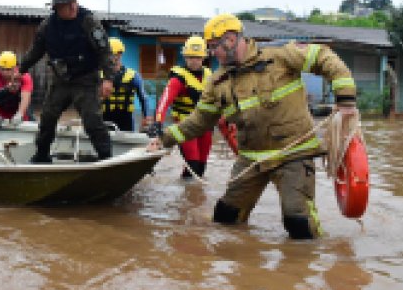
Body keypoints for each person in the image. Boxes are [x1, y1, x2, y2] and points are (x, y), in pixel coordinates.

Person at [148, 14, 358, 239]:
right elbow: (199, 121)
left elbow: (324, 57)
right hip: (251, 160)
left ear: (229, 40)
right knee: (225, 219)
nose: (211, 54)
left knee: (298, 224)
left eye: (213, 47)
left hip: (293, 154)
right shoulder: (217, 82)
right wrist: (164, 138)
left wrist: (345, 101)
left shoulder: (279, 55)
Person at [17, 0, 114, 163]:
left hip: (85, 80)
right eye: (66, 4)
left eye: (73, 2)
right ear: (56, 8)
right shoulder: (47, 26)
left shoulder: (89, 21)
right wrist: (20, 70)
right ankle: (41, 155)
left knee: (92, 119)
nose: (72, 6)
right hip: (61, 80)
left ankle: (106, 157)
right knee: (47, 117)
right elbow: (35, 51)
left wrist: (108, 79)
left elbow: (105, 51)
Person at [153, 35, 214, 180]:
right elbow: (164, 101)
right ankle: (186, 198)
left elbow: (220, 101)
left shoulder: (209, 75)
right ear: (185, 57)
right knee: (192, 166)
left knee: (201, 167)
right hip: (185, 126)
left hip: (205, 126)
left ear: (203, 58)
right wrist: (158, 121)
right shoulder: (178, 78)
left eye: (198, 57)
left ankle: (194, 199)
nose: (194, 60)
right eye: (191, 57)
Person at [101, 37, 151, 131]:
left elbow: (143, 98)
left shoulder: (133, 76)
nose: (109, 58)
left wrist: (146, 116)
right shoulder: (99, 75)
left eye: (112, 54)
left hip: (125, 120)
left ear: (120, 55)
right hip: (104, 118)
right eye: (107, 55)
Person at [0, 51, 34, 124]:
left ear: (15, 67)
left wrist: (20, 114)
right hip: (1, 110)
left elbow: (26, 97)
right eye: (2, 69)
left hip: (20, 107)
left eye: (8, 69)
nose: (5, 72)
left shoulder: (24, 76)